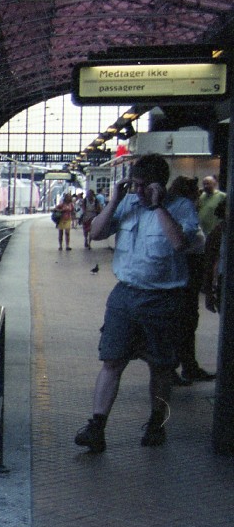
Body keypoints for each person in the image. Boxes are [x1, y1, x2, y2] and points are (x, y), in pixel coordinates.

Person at [74, 154, 202, 453]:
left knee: (160, 366)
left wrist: (158, 208)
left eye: (145, 186)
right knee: (112, 361)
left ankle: (157, 423)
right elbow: (95, 232)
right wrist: (115, 199)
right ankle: (97, 426)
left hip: (164, 299)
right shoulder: (127, 204)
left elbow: (180, 243)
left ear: (161, 184)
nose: (140, 192)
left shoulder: (181, 207)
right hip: (125, 296)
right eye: (136, 185)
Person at [168, 176, 215, 384]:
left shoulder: (180, 208)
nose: (198, 195)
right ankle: (173, 367)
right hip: (187, 269)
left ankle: (186, 365)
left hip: (188, 271)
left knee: (186, 321)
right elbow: (185, 240)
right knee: (183, 321)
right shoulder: (183, 207)